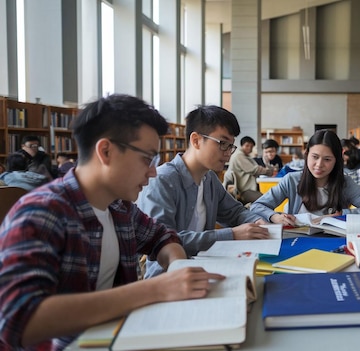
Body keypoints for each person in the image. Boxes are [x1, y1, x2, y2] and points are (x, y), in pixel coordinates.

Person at [0, 94, 222, 350]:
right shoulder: (41, 213)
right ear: (105, 151)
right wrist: (154, 290)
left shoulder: (119, 207)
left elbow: (162, 237)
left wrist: (178, 265)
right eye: (147, 158)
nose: (152, 171)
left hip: (121, 336)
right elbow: (20, 319)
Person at [136, 105, 270, 278]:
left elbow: (235, 212)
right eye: (222, 144)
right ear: (196, 140)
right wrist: (231, 234)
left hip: (207, 267)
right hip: (167, 278)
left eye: (231, 146)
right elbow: (163, 240)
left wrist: (258, 221)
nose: (228, 153)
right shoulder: (162, 180)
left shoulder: (209, 179)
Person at [250, 130, 360, 225]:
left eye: (327, 159)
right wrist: (275, 217)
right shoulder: (291, 180)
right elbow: (257, 206)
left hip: (334, 241)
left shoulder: (344, 182)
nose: (319, 165)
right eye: (314, 157)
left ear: (336, 160)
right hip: (297, 241)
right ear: (307, 154)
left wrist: (341, 215)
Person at [227, 136, 273, 203]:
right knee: (266, 200)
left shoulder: (245, 156)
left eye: (251, 146)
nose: (249, 148)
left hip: (248, 187)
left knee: (269, 195)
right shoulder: (239, 156)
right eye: (247, 145)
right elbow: (254, 169)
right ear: (242, 145)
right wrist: (269, 172)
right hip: (244, 190)